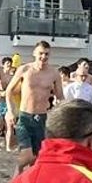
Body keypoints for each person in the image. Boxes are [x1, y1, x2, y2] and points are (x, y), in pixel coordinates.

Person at [6, 41, 64, 173]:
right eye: (41, 53)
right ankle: (19, 169)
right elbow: (9, 91)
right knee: (27, 156)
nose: (43, 57)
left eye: (46, 54)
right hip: (25, 116)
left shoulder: (54, 73)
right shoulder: (25, 69)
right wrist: (10, 111)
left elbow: (60, 96)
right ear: (34, 53)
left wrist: (61, 113)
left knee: (37, 158)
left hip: (42, 118)